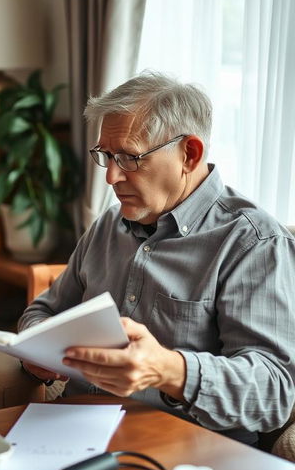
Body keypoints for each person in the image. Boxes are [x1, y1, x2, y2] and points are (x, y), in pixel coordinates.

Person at [19, 72, 295, 445]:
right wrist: (36, 350)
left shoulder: (252, 243)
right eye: (106, 156)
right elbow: (44, 311)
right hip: (72, 436)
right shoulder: (107, 226)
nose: (112, 176)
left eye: (130, 158)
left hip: (186, 456)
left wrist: (167, 370)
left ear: (189, 154)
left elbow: (272, 393)